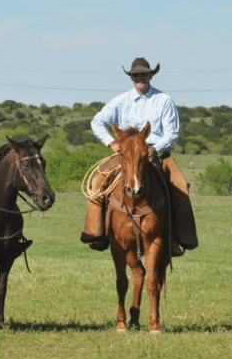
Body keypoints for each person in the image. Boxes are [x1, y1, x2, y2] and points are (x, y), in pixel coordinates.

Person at [80, 57, 198, 256]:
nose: (139, 78)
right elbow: (97, 121)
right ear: (131, 77)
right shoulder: (121, 100)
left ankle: (177, 238)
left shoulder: (164, 100)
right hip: (126, 154)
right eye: (135, 75)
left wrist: (155, 149)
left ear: (151, 75)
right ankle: (96, 233)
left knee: (180, 185)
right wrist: (112, 143)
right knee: (97, 180)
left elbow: (171, 134)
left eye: (143, 74)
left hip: (156, 152)